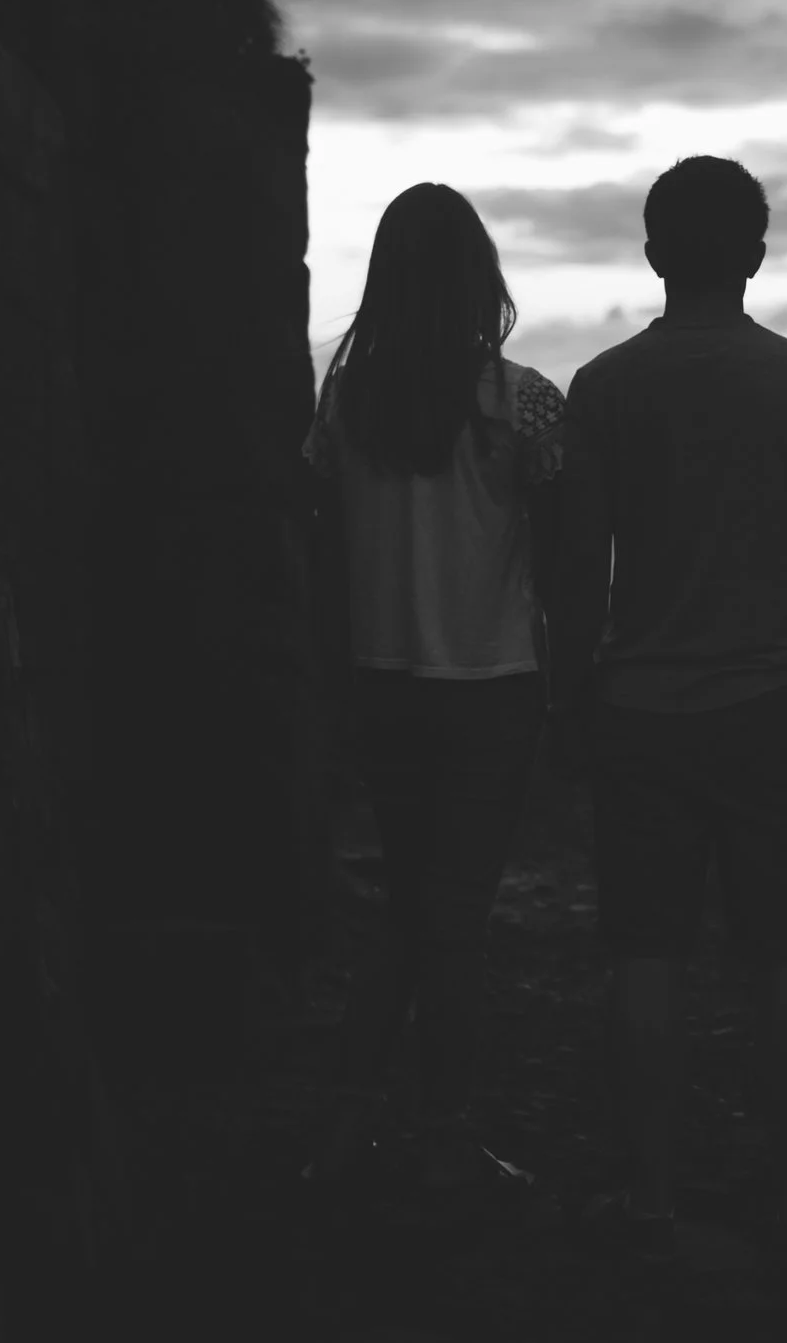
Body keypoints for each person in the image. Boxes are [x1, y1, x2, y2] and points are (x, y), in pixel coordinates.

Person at [550, 155, 787, 1263]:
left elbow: (575, 569)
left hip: (639, 706)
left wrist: (569, 698)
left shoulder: (602, 389)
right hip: (776, 699)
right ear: (756, 249)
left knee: (645, 955)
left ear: (652, 252)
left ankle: (649, 1196)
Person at [299, 182, 563, 1194]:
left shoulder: (345, 400)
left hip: (381, 683)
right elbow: (570, 550)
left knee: (416, 911)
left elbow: (322, 556)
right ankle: (444, 1130)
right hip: (489, 686)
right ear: (476, 277)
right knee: (452, 918)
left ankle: (346, 1120)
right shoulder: (521, 400)